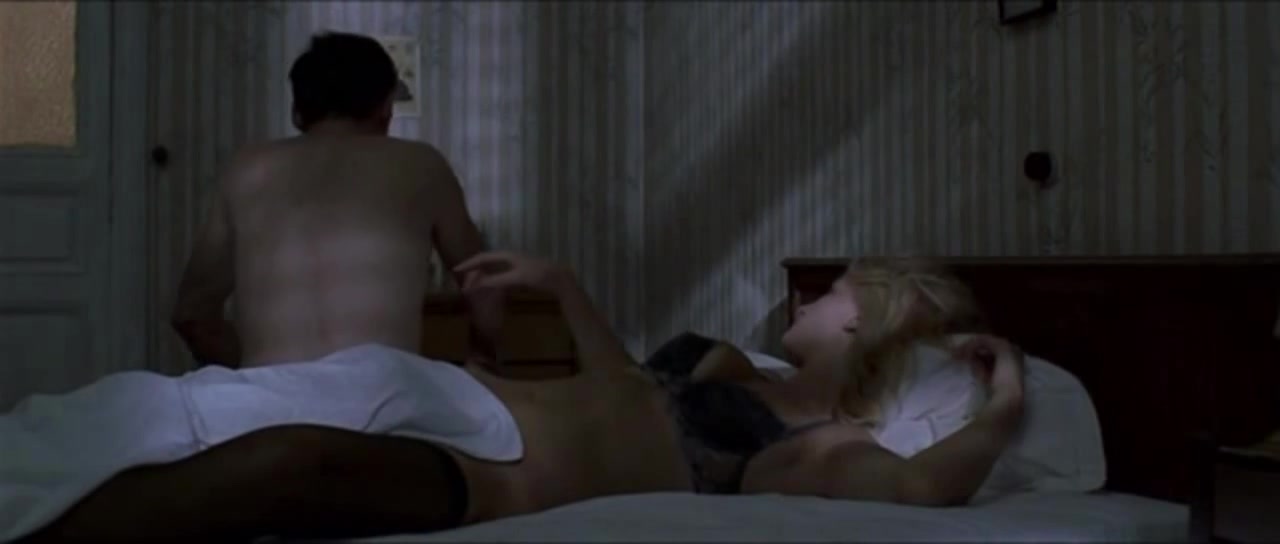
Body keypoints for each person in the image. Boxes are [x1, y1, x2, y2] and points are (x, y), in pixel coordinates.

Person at [20, 251, 1027, 543]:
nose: (809, 293)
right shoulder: (733, 367)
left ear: (870, 326)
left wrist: (1006, 404)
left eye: (836, 288)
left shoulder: (817, 442)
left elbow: (920, 489)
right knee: (165, 408)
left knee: (287, 463)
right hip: (446, 394)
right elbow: (625, 387)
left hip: (493, 469)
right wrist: (563, 285)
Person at [167, 31, 503, 369]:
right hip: (380, 393)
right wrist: (480, 361)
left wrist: (256, 378)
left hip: (272, 396)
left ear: (297, 111)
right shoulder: (423, 166)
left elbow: (192, 316)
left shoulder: (246, 170)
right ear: (386, 107)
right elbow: (485, 290)